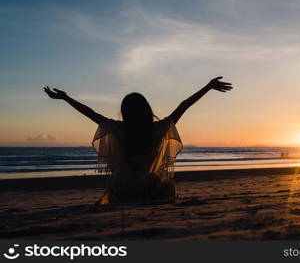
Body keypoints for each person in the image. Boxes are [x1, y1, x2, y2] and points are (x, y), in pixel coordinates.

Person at [44, 77, 233, 204]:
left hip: (124, 190)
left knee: (114, 192)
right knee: (168, 185)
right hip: (150, 189)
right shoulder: (159, 129)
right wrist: (208, 87)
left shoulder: (118, 129)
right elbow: (184, 105)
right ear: (147, 110)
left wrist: (66, 98)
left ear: (125, 112)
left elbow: (90, 113)